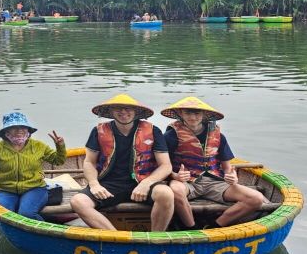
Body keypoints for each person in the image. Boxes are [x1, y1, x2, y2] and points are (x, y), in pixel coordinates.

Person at [70, 94, 174, 231]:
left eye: (128, 109)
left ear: (136, 112)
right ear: (111, 112)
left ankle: (156, 238)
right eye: (118, 108)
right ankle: (116, 237)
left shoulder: (153, 131)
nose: (123, 112)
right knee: (77, 202)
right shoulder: (99, 131)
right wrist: (94, 184)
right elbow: (89, 162)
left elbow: (166, 166)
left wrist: (146, 183)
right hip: (109, 184)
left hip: (142, 181)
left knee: (166, 194)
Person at [161, 97, 265, 229]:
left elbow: (227, 168)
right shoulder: (171, 135)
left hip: (215, 181)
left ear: (204, 115)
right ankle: (192, 227)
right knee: (175, 190)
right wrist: (175, 176)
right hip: (186, 182)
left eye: (197, 113)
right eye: (188, 113)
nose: (193, 117)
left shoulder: (218, 135)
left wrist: (233, 178)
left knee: (256, 199)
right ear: (181, 114)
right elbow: (161, 165)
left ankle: (214, 225)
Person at [0, 112, 66, 221]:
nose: (20, 130)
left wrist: (60, 146)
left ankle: (45, 233)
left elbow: (58, 161)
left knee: (26, 214)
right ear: (6, 132)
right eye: (14, 128)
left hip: (35, 188)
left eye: (23, 127)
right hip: (6, 190)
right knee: (3, 215)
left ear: (28, 131)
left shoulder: (39, 146)